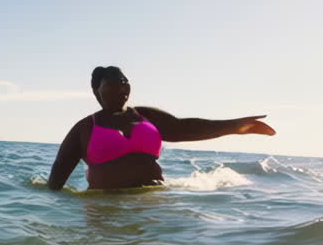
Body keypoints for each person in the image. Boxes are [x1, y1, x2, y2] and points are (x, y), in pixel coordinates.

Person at [48, 66, 276, 191]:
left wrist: (236, 126)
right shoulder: (84, 128)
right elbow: (57, 178)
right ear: (97, 90)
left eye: (125, 81)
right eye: (112, 84)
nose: (121, 88)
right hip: (103, 208)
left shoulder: (146, 116)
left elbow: (186, 128)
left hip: (153, 202)